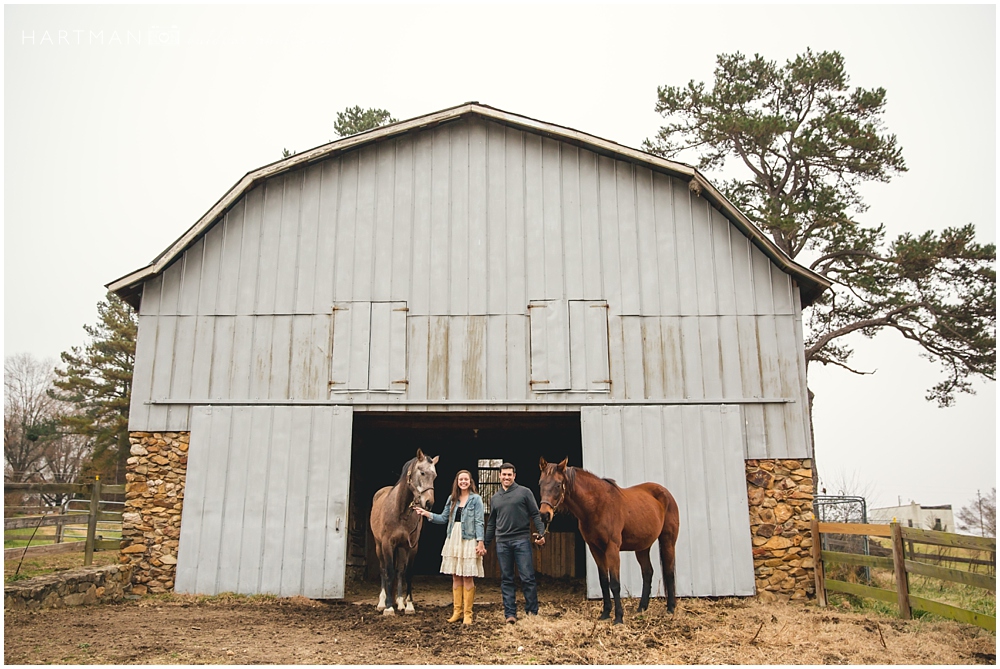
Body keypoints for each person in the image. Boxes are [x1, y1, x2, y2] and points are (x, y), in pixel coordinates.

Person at [413, 469, 486, 624]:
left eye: (466, 479)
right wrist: (426, 514)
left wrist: (480, 541)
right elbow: (443, 518)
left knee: (467, 576)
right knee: (455, 576)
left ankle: (468, 614)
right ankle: (457, 611)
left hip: (469, 538)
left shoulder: (476, 499)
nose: (463, 482)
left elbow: (479, 521)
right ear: (457, 482)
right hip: (453, 538)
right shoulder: (452, 499)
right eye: (461, 480)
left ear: (470, 481)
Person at [483, 462, 546, 624]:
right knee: (506, 579)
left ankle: (532, 611)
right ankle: (510, 614)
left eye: (509, 475)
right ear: (499, 476)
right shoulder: (495, 498)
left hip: (521, 540)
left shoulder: (524, 492)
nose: (506, 477)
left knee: (527, 577)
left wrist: (541, 533)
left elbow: (535, 514)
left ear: (514, 476)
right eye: (504, 474)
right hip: (502, 542)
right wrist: (485, 543)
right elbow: (491, 523)